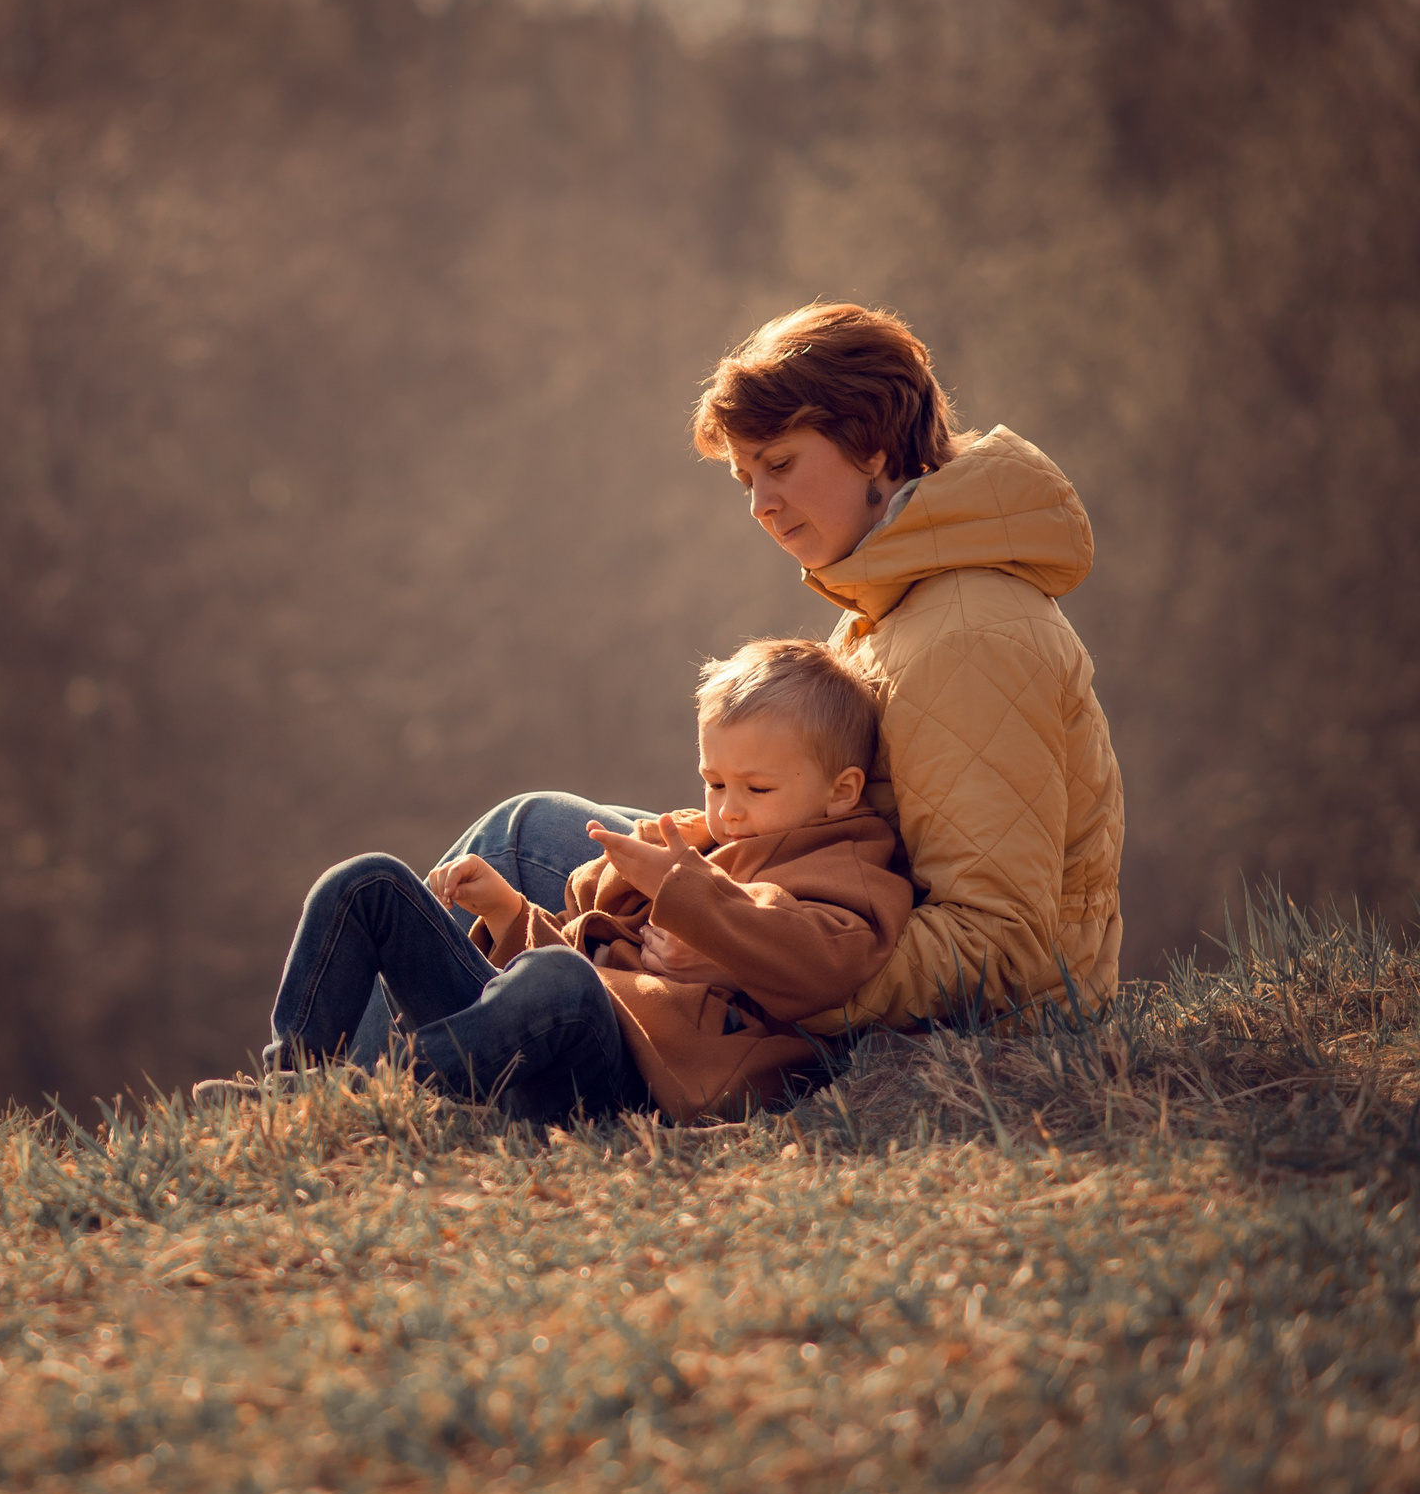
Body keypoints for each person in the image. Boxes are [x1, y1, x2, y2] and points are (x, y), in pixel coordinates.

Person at [349, 301, 1124, 1064]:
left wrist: (740, 945)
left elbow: (1004, 945)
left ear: (876, 448)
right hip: (819, 915)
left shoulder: (969, 634)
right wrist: (707, 842)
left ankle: (354, 1092)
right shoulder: (895, 599)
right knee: (550, 839)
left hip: (927, 1009)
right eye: (746, 478)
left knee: (523, 840)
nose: (761, 506)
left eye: (781, 465)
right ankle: (419, 1068)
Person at [253, 640, 908, 1126]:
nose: (727, 808)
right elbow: (580, 952)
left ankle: (376, 1099)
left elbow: (815, 957)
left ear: (840, 791)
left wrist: (691, 897)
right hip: (538, 1029)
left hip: (627, 1076)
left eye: (756, 789)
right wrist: (511, 915)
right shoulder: (703, 842)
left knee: (559, 981)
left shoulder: (846, 867)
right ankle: (288, 1085)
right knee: (369, 883)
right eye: (714, 783)